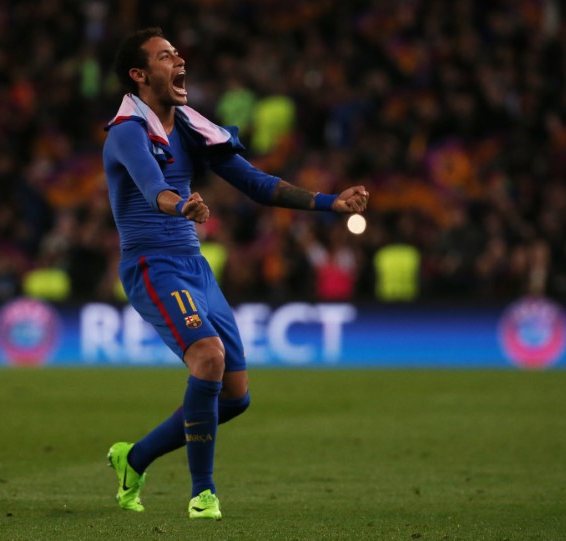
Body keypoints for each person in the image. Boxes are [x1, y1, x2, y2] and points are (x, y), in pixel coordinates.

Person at [103, 27, 369, 520]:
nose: (178, 59)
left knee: (236, 398)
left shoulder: (190, 126)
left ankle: (133, 459)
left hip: (194, 268)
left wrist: (331, 202)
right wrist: (183, 204)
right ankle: (203, 494)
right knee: (208, 357)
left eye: (177, 52)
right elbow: (151, 188)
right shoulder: (126, 132)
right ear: (139, 76)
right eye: (165, 56)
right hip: (151, 263)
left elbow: (256, 183)